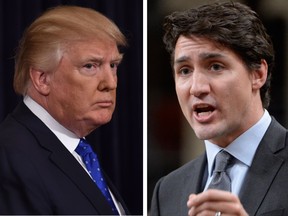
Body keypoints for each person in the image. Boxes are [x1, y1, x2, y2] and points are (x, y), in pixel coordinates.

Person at [150, 2, 288, 216]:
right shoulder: (167, 190)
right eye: (184, 70)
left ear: (258, 74)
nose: (196, 88)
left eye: (215, 66)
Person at [0, 5, 130, 215]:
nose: (110, 83)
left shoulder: (78, 149)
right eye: (90, 66)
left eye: (113, 65)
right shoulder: (11, 156)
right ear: (42, 79)